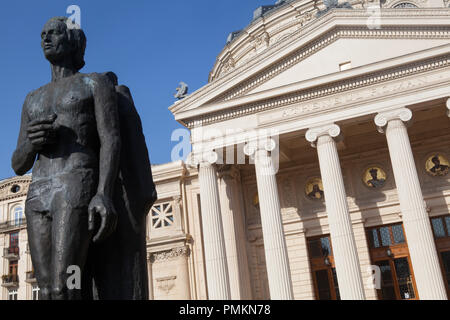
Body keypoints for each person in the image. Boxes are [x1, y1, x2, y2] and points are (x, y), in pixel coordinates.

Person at [11, 17, 121, 300]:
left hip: (75, 186)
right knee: (45, 289)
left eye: (54, 33)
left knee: (65, 285)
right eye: (42, 34)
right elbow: (18, 163)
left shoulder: (94, 83)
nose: (46, 38)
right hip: (38, 193)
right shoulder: (32, 98)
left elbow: (110, 138)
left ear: (72, 41)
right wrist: (32, 143)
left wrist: (103, 194)